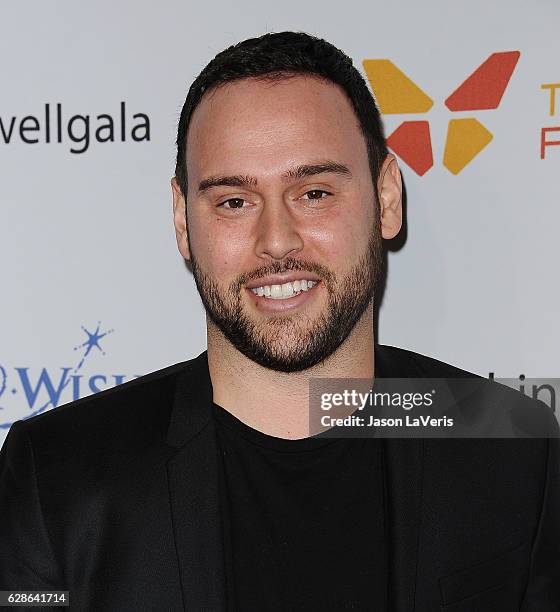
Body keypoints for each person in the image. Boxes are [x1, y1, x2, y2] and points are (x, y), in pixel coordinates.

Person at [1, 31, 558, 612]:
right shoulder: (58, 476)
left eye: (314, 192)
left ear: (386, 198)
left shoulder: (512, 446)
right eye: (234, 201)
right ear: (183, 221)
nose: (275, 241)